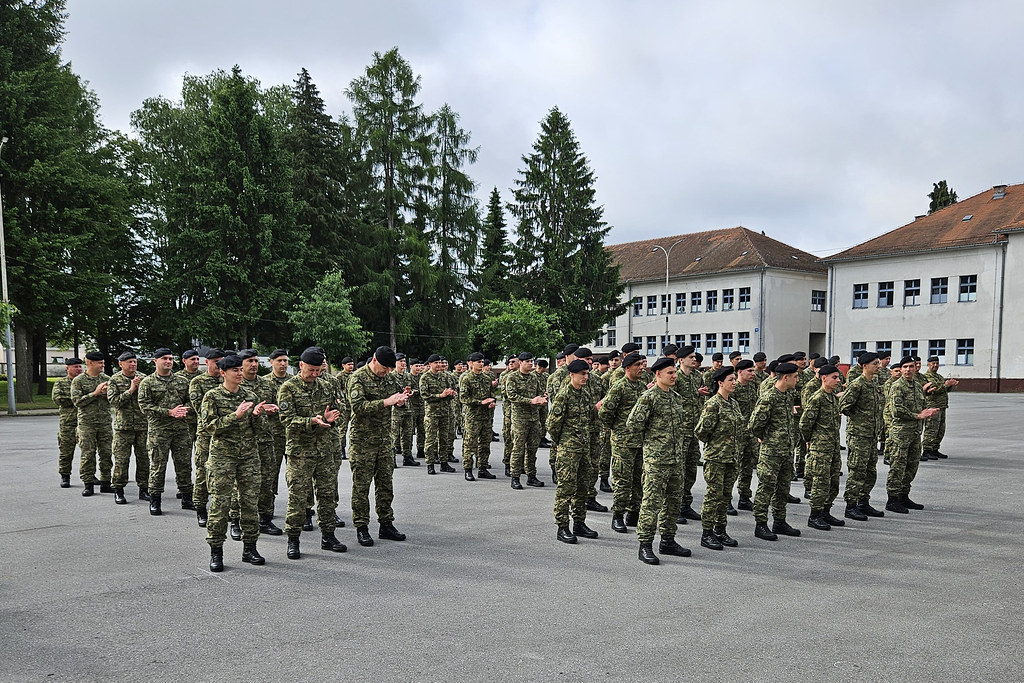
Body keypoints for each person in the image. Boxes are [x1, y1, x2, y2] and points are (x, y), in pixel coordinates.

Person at [201, 353, 271, 572]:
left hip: (249, 456)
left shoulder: (249, 395)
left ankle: (250, 548)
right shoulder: (212, 396)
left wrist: (258, 415)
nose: (240, 374)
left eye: (241, 370)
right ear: (223, 373)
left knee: (250, 503)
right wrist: (236, 416)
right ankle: (216, 551)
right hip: (223, 457)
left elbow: (261, 431)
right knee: (220, 504)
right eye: (235, 371)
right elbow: (209, 427)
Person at [278, 347, 346, 559]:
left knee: (327, 495)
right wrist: (312, 421)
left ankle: (328, 535)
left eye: (318, 370)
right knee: (298, 498)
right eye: (311, 370)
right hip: (300, 453)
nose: (315, 374)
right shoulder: (288, 388)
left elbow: (338, 413)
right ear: (300, 366)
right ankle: (293, 539)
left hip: (324, 450)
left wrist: (330, 419)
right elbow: (286, 420)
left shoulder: (326, 386)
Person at [627, 357, 692, 565]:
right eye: (670, 373)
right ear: (658, 375)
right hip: (656, 461)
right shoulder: (649, 398)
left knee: (674, 502)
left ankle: (668, 540)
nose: (674, 376)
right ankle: (645, 544)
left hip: (675, 459)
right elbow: (633, 424)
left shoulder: (675, 398)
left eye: (674, 372)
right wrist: (652, 442)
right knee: (652, 503)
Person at [347, 346, 410, 547]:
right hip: (363, 442)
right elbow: (358, 407)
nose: (387, 372)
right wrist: (386, 402)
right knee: (361, 487)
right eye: (384, 368)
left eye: (390, 369)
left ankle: (386, 524)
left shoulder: (390, 378)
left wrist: (400, 401)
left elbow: (395, 399)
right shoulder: (357, 378)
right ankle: (362, 527)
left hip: (384, 440)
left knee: (385, 485)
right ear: (374, 360)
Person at [137, 348, 194, 515]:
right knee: (157, 466)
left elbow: (191, 402)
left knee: (184, 465)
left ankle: (187, 498)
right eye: (164, 358)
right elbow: (144, 406)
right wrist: (169, 412)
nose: (168, 361)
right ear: (155, 361)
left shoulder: (182, 381)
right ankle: (155, 500)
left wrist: (185, 410)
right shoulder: (147, 382)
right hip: (158, 431)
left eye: (170, 358)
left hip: (181, 430)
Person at [749, 361, 802, 541]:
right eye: (795, 377)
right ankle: (761, 524)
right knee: (766, 487)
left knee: (783, 487)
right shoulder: (768, 397)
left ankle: (779, 520)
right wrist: (766, 438)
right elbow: (755, 425)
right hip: (771, 452)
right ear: (785, 378)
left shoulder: (788, 395)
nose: (797, 379)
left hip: (786, 449)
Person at [546, 359, 597, 544]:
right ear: (572, 375)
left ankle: (579, 523)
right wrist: (560, 442)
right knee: (566, 488)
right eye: (582, 374)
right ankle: (562, 526)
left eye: (587, 373)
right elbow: (552, 424)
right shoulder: (564, 395)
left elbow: (590, 419)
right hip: (568, 449)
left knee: (583, 486)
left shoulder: (585, 394)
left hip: (583, 448)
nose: (585, 377)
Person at [694, 366, 744, 550]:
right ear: (720, 382)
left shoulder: (733, 403)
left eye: (734, 379)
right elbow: (701, 431)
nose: (734, 382)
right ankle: (707, 533)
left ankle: (720, 530)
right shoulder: (713, 404)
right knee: (713, 495)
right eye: (731, 379)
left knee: (725, 496)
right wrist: (717, 443)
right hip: (716, 457)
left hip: (732, 457)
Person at [883, 356, 938, 514]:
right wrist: (918, 416)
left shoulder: (916, 385)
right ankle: (892, 500)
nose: (907, 370)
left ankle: (903, 496)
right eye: (904, 367)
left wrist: (928, 412)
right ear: (900, 369)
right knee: (898, 467)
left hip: (914, 433)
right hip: (900, 433)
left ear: (915, 368)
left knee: (912, 465)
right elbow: (896, 410)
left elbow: (921, 405)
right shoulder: (897, 386)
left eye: (910, 366)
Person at [599, 352, 647, 533]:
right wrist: (617, 429)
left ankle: (633, 513)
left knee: (638, 479)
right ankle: (617, 515)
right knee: (622, 481)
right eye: (638, 366)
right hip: (622, 442)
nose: (642, 368)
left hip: (640, 441)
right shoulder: (619, 387)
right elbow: (604, 413)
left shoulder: (642, 386)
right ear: (627, 368)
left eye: (642, 365)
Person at [838, 351, 885, 521]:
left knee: (870, 471)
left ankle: (863, 502)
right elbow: (843, 406)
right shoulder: (857, 384)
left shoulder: (875, 384)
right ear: (865, 366)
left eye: (878, 363)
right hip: (858, 435)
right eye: (875, 363)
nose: (878, 366)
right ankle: (851, 506)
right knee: (857, 471)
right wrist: (859, 419)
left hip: (872, 435)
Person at [800, 364, 845, 531]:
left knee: (833, 481)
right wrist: (809, 440)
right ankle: (815, 515)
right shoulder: (816, 398)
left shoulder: (833, 398)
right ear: (823, 378)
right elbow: (805, 423)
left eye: (838, 377)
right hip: (820, 447)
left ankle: (826, 511)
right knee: (820, 482)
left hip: (833, 446)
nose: (838, 380)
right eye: (834, 377)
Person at [107, 351, 149, 505]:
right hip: (123, 428)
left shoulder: (143, 378)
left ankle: (144, 489)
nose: (132, 364)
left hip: (142, 426)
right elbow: (114, 402)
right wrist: (131, 390)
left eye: (134, 361)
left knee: (144, 459)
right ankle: (118, 489)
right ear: (121, 364)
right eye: (129, 362)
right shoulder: (115, 380)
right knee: (121, 460)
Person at [190, 349, 225, 527]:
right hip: (206, 435)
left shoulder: (226, 380)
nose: (219, 365)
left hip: (224, 436)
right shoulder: (198, 382)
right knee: (203, 472)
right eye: (216, 361)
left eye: (222, 361)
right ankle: (201, 508)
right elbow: (201, 411)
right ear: (207, 362)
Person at [70, 351, 112, 496]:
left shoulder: (107, 379)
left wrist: (107, 394)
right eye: (100, 363)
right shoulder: (79, 380)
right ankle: (88, 484)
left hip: (105, 422)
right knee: (88, 455)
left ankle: (106, 482)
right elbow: (77, 402)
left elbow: (114, 401)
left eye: (103, 363)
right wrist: (94, 393)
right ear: (90, 363)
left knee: (106, 453)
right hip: (87, 424)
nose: (102, 365)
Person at [674, 346, 707, 522]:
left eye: (694, 357)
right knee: (678, 471)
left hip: (693, 430)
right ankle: (675, 507)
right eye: (691, 357)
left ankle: (686, 505)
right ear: (681, 360)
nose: (694, 360)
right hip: (680, 431)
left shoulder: (696, 377)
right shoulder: (675, 377)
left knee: (691, 469)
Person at [505, 352, 548, 489]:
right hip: (520, 419)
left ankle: (531, 475)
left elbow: (539, 393)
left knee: (532, 449)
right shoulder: (512, 377)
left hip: (534, 417)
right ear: (520, 362)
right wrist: (531, 401)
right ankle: (515, 477)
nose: (530, 363)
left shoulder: (534, 377)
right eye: (528, 361)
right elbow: (511, 396)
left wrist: (542, 398)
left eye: (531, 361)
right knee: (518, 449)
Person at [459, 352, 497, 480]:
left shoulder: (486, 379)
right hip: (472, 417)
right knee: (470, 444)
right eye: (478, 362)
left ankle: (483, 468)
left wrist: (491, 404)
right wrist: (480, 402)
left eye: (482, 362)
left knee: (485, 444)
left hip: (486, 416)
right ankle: (468, 469)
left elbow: (491, 396)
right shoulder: (466, 378)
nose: (481, 364)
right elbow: (463, 398)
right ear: (471, 363)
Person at [420, 354, 458, 474]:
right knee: (431, 439)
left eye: (440, 362)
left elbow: (449, 390)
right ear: (430, 364)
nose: (439, 365)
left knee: (444, 439)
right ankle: (430, 463)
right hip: (432, 413)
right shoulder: (425, 378)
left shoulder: (445, 376)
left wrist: (451, 394)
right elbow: (424, 395)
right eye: (436, 363)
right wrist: (440, 396)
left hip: (444, 412)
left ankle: (444, 462)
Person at [731, 360, 759, 512]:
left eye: (753, 371)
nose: (752, 374)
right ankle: (726, 499)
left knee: (747, 467)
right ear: (740, 372)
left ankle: (744, 497)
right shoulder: (733, 388)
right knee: (733, 468)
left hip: (750, 434)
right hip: (736, 435)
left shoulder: (752, 387)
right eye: (749, 371)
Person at [52, 357, 83, 489]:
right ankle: (65, 475)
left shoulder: (84, 382)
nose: (79, 369)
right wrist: (79, 399)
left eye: (80, 366)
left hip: (84, 422)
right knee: (66, 451)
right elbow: (58, 399)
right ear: (67, 368)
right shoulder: (61, 383)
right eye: (75, 367)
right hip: (68, 423)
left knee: (88, 452)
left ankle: (89, 475)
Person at [922, 356, 958, 459]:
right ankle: (927, 450)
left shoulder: (939, 377)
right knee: (931, 429)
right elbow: (932, 390)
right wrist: (945, 385)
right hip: (932, 406)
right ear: (928, 364)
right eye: (933, 363)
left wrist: (950, 385)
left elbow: (945, 390)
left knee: (940, 429)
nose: (935, 365)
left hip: (942, 406)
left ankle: (935, 449)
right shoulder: (926, 377)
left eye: (937, 363)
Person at [391, 353, 418, 466]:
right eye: (400, 361)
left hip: (408, 409)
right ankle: (391, 458)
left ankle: (407, 456)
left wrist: (412, 392)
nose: (403, 363)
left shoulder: (407, 376)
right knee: (394, 435)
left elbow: (415, 387)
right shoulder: (391, 376)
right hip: (396, 410)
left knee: (407, 434)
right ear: (395, 363)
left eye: (404, 361)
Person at [176, 349, 203, 444]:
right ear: (184, 361)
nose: (196, 362)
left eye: (197, 359)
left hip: (201, 420)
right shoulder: (177, 378)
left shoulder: (203, 377)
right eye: (192, 359)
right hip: (185, 421)